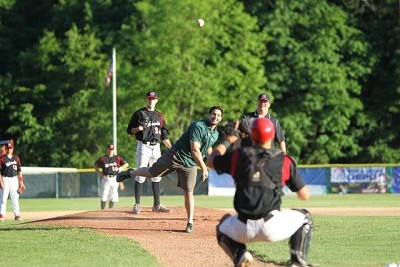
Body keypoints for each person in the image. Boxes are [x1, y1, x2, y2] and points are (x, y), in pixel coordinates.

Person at [206, 118, 314, 267]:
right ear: (272, 137)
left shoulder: (239, 156)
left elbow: (211, 161)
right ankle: (297, 262)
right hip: (272, 228)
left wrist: (229, 138)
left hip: (241, 228)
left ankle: (239, 254)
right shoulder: (284, 160)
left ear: (252, 135)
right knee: (305, 217)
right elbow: (304, 196)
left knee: (223, 225)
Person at [118, 106, 223, 233]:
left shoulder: (215, 134)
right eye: (213, 114)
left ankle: (190, 222)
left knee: (189, 191)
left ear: (221, 118)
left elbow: (207, 148)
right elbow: (195, 150)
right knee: (152, 173)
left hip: (190, 164)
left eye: (218, 115)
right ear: (209, 114)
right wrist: (204, 167)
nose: (215, 117)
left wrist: (214, 161)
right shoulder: (198, 126)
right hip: (176, 155)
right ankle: (131, 172)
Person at [126, 91, 173, 214]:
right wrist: (139, 128)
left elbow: (164, 136)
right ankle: (137, 204)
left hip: (156, 147)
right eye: (149, 98)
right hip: (144, 146)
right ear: (146, 99)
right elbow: (129, 130)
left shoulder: (160, 116)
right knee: (141, 172)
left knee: (157, 174)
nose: (151, 101)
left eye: (153, 99)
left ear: (156, 100)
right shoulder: (139, 113)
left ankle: (157, 205)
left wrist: (172, 148)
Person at [94, 144, 129, 209]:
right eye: (109, 149)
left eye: (112, 150)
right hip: (106, 178)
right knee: (104, 195)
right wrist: (100, 173)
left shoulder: (117, 158)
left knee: (113, 196)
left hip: (115, 178)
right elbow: (95, 165)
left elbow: (126, 164)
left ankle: (110, 211)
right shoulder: (103, 158)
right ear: (107, 150)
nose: (111, 151)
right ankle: (102, 211)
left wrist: (120, 168)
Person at [0, 142, 25, 221]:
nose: (9, 149)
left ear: (12, 149)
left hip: (14, 179)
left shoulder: (16, 158)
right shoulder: (2, 159)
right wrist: (0, 182)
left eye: (10, 148)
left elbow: (19, 171)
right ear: (5, 149)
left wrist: (21, 182)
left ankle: (17, 215)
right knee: (3, 198)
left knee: (15, 198)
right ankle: (1, 215)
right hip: (5, 179)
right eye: (7, 148)